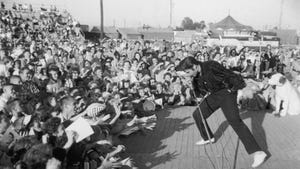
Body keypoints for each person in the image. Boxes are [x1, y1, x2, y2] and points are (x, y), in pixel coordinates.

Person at [175, 57, 267, 168]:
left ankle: (258, 152)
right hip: (214, 95)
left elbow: (232, 75)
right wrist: (191, 84)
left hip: (227, 93)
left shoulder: (211, 65)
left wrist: (235, 89)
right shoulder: (195, 75)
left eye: (188, 72)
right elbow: (200, 92)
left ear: (194, 66)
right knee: (197, 114)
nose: (188, 75)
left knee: (234, 121)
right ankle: (208, 137)